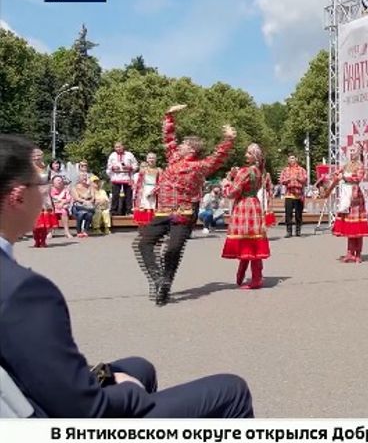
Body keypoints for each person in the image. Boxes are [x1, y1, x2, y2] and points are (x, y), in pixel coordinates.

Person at [0, 134, 254, 418]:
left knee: (139, 365)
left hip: (182, 213)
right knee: (233, 391)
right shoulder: (23, 291)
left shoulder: (195, 165)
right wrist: (127, 390)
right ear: (17, 197)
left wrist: (106, 376)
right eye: (41, 184)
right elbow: (84, 409)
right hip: (54, 429)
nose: (46, 191)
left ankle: (162, 282)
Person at [133, 104, 235, 306]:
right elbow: (169, 139)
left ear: (192, 149)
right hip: (163, 212)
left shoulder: (200, 166)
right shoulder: (172, 159)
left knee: (172, 250)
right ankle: (158, 278)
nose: (178, 147)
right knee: (142, 243)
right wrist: (169, 116)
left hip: (183, 213)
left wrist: (229, 138)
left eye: (183, 145)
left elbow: (218, 156)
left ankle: (165, 286)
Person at [221, 144, 271, 290]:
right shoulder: (259, 171)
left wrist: (226, 183)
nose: (246, 155)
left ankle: (251, 277)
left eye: (249, 153)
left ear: (254, 156)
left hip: (243, 206)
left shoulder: (245, 171)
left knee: (245, 240)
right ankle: (250, 274)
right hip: (254, 204)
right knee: (253, 239)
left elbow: (232, 192)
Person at [329, 144, 368, 263]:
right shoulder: (346, 165)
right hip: (346, 197)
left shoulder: (360, 166)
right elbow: (336, 173)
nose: (351, 153)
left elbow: (357, 178)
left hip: (355, 197)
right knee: (349, 227)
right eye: (350, 150)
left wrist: (345, 177)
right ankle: (349, 253)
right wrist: (333, 176)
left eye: (354, 151)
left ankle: (358, 254)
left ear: (358, 152)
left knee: (357, 227)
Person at [30, 148, 56, 248]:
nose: (36, 158)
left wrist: (48, 189)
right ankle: (36, 240)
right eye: (34, 156)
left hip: (45, 195)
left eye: (38, 156)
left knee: (45, 221)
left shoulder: (46, 167)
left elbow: (50, 181)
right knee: (35, 221)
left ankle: (43, 241)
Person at [279, 154, 308, 238]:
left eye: (293, 158)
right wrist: (289, 179)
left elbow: (305, 180)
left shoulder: (302, 170)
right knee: (288, 214)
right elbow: (281, 180)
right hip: (289, 194)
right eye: (290, 159)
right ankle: (289, 231)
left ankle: (298, 231)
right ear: (288, 160)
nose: (292, 160)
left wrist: (297, 178)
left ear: (296, 159)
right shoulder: (285, 170)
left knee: (298, 214)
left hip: (299, 195)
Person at [106, 141, 138, 216]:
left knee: (128, 195)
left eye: (119, 146)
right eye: (116, 147)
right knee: (115, 195)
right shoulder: (112, 155)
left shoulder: (129, 155)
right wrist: (113, 167)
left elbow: (136, 165)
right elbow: (108, 166)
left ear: (123, 146)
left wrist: (129, 167)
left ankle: (129, 211)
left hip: (127, 177)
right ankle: (113, 211)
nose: (118, 148)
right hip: (116, 178)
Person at [133, 153, 161, 227]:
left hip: (155, 191)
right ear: (147, 159)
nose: (151, 160)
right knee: (144, 208)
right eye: (149, 158)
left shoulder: (159, 170)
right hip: (144, 190)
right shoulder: (143, 170)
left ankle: (153, 226)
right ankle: (143, 228)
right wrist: (139, 194)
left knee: (152, 207)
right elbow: (139, 183)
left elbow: (161, 182)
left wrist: (154, 191)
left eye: (153, 158)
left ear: (156, 159)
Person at [69, 173, 96, 238]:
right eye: (83, 176)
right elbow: (76, 198)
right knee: (81, 214)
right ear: (79, 178)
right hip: (78, 207)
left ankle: (85, 231)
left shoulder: (90, 187)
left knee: (89, 215)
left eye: (85, 176)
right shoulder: (74, 187)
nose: (84, 178)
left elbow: (93, 197)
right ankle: (79, 231)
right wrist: (85, 201)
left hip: (88, 206)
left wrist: (89, 201)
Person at [49, 175, 74, 239]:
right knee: (50, 212)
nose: (59, 182)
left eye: (60, 180)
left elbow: (69, 198)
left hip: (63, 207)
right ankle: (50, 232)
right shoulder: (50, 190)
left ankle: (67, 232)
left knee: (64, 212)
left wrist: (62, 203)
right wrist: (59, 202)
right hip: (53, 206)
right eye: (57, 180)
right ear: (53, 182)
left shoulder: (65, 190)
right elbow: (51, 198)